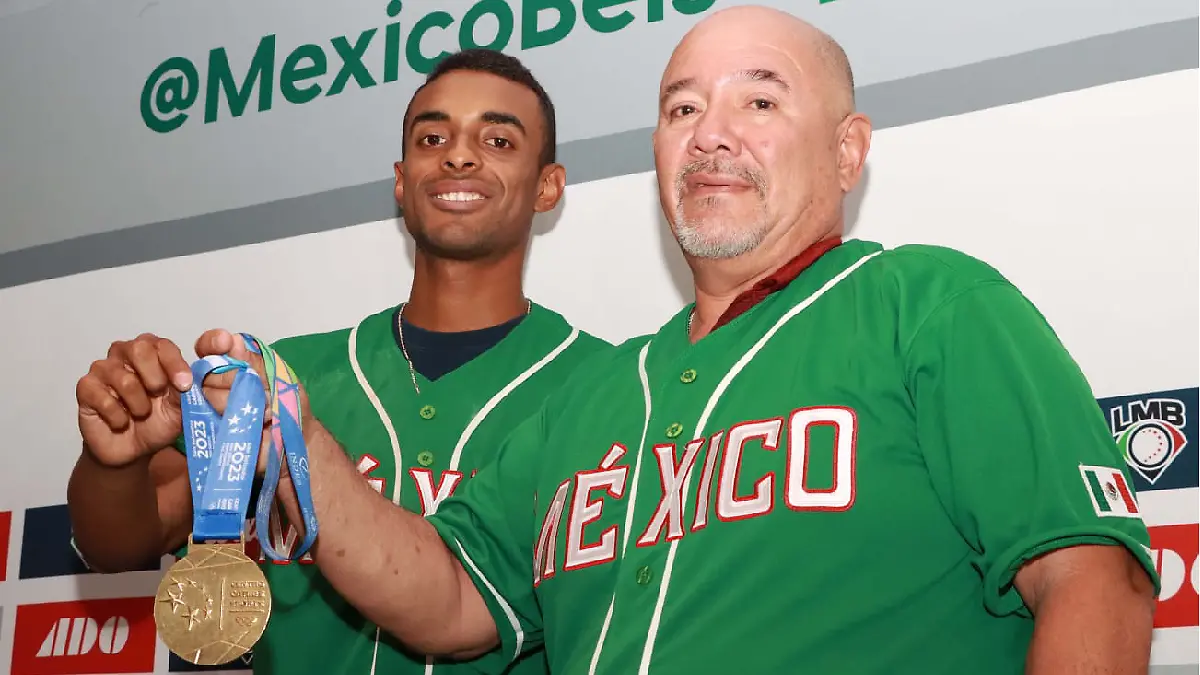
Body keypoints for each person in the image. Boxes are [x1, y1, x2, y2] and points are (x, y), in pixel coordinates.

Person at [97, 6, 1160, 674]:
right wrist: (303, 444)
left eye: (759, 98)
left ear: (848, 152)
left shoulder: (929, 303)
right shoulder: (595, 396)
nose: (710, 131)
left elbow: (1092, 587)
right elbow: (456, 598)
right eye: (681, 106)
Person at [66, 49, 612, 675]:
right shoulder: (282, 378)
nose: (458, 155)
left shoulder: (603, 390)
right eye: (432, 137)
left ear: (548, 186)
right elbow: (117, 544)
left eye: (497, 139)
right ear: (402, 179)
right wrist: (113, 463)